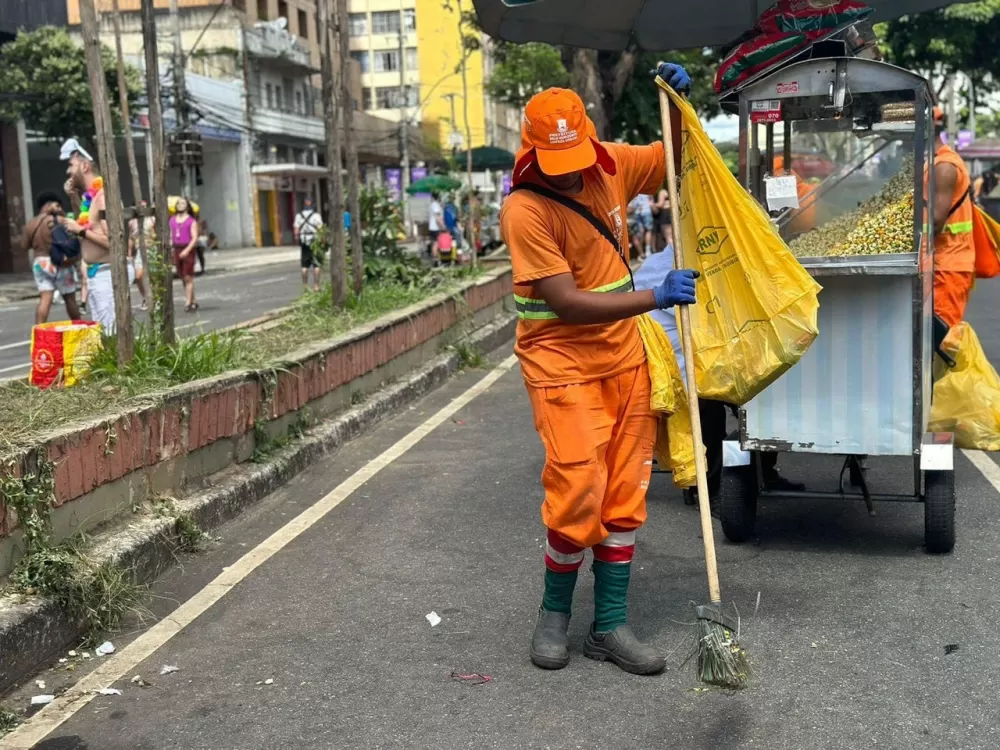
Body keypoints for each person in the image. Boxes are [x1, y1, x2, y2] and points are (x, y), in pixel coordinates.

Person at [500, 63, 699, 677]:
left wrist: (677, 104)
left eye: (577, 159)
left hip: (624, 358)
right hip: (561, 365)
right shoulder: (525, 210)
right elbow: (566, 302)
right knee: (577, 488)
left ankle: (609, 624)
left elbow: (672, 155)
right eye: (557, 165)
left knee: (622, 495)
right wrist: (655, 297)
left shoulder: (608, 163)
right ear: (533, 154)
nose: (572, 175)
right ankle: (553, 614)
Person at [60, 138, 133, 333]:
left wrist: (81, 231)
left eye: (71, 165)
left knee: (111, 333)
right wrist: (73, 197)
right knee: (102, 334)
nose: (68, 172)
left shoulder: (103, 198)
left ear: (84, 166)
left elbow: (115, 242)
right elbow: (85, 223)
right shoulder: (89, 198)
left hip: (108, 274)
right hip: (96, 274)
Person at [931, 107, 976, 328]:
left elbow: (936, 221)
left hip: (948, 264)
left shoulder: (944, 167)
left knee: (942, 337)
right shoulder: (934, 164)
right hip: (939, 262)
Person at [23, 192, 82, 325]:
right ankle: (79, 328)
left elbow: (24, 246)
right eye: (57, 205)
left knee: (45, 298)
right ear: (49, 204)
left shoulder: (30, 224)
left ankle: (39, 332)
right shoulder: (59, 220)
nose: (59, 207)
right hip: (59, 262)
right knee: (70, 299)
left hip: (40, 263)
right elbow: (72, 235)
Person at [170, 197, 199, 312]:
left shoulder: (191, 221)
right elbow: (171, 235)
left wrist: (187, 250)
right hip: (176, 249)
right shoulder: (172, 220)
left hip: (187, 248)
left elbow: (194, 237)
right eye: (178, 203)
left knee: (188, 276)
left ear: (187, 206)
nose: (180, 205)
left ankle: (188, 302)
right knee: (182, 276)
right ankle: (193, 300)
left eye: (183, 203)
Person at [293, 196, 324, 292]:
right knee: (316, 264)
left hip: (304, 241)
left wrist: (298, 238)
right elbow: (320, 229)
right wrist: (323, 241)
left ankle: (305, 286)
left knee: (304, 265)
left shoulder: (298, 216)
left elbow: (296, 231)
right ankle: (316, 285)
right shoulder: (316, 216)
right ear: (312, 204)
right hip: (314, 240)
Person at [127, 200, 152, 311]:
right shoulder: (132, 222)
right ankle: (145, 297)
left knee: (152, 277)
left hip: (151, 249)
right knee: (138, 276)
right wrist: (129, 252)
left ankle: (153, 298)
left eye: (144, 206)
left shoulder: (152, 219)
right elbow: (131, 238)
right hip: (139, 251)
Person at [628, 192, 654, 258]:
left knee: (640, 232)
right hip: (646, 210)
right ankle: (647, 250)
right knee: (648, 231)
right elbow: (651, 199)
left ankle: (642, 253)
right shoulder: (647, 189)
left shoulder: (637, 188)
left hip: (637, 212)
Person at [428, 191, 444, 258]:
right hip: (435, 227)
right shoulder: (435, 205)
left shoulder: (433, 204)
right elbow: (438, 217)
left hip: (433, 227)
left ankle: (435, 258)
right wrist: (443, 226)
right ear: (438, 197)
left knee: (434, 243)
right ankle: (436, 259)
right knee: (436, 243)